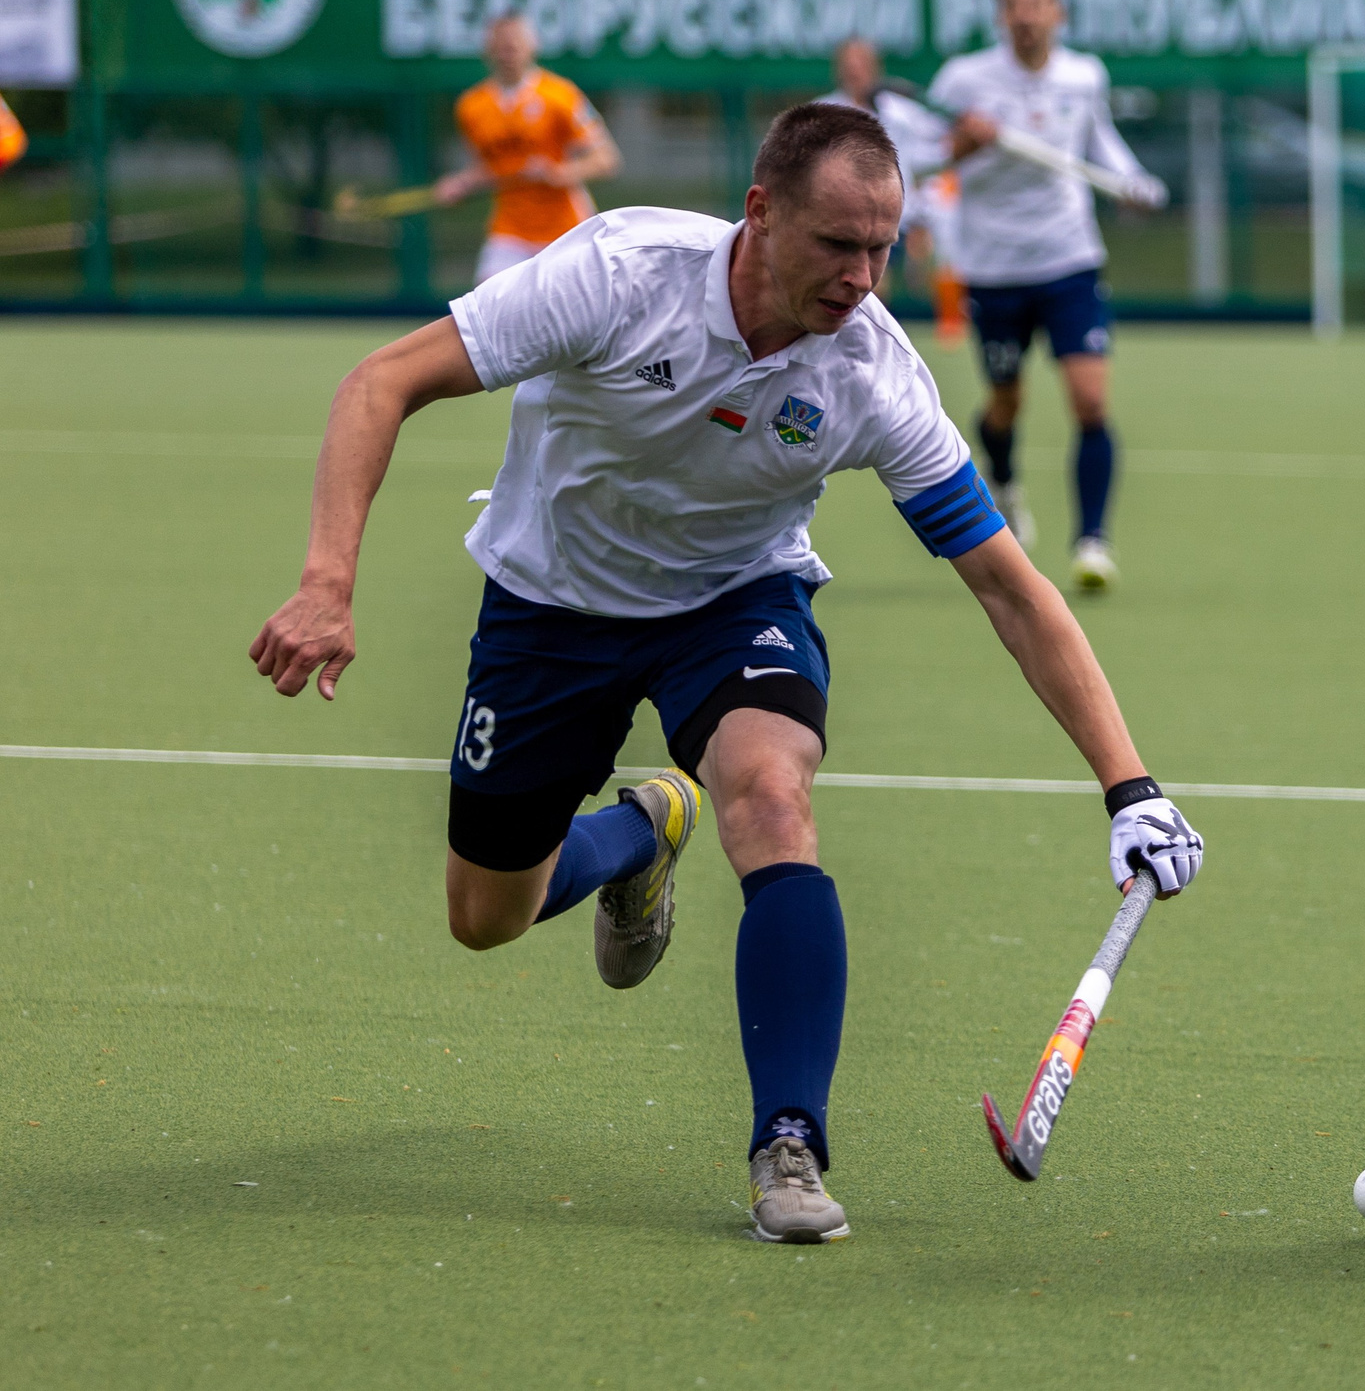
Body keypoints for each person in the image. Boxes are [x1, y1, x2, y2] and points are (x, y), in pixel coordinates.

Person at [248, 102, 1203, 1245]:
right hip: (552, 602)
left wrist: (1130, 786)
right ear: (759, 213)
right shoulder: (618, 275)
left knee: (771, 797)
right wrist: (326, 581)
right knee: (486, 915)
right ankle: (641, 833)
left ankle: (788, 1143)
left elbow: (1008, 587)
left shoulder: (873, 373)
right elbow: (381, 381)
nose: (861, 277)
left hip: (734, 600)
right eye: (836, 244)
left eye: (882, 247)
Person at [930, 0, 1166, 594]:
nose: (1025, 17)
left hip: (1069, 260)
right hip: (994, 268)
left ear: (1058, 12)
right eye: (1014, 6)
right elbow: (919, 156)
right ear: (1000, 15)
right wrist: (962, 146)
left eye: (1036, 5)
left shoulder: (1083, 76)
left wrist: (1130, 181)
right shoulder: (964, 80)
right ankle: (1005, 482)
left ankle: (1093, 542)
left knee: (1090, 401)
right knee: (1005, 404)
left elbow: (1099, 142)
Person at [435, 14, 621, 286]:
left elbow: (606, 159)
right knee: (488, 301)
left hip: (564, 228)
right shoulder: (472, 106)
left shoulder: (560, 95)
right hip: (510, 229)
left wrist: (559, 173)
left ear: (531, 47)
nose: (507, 55)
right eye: (500, 48)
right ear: (487, 50)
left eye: (513, 47)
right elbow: (487, 169)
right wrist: (460, 184)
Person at [816, 37, 965, 338]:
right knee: (860, 288)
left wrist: (923, 214)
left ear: (874, 67)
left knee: (878, 289)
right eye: (849, 64)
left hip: (896, 218)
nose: (855, 71)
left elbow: (925, 160)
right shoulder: (823, 112)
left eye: (861, 64)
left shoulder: (902, 112)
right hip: (843, 219)